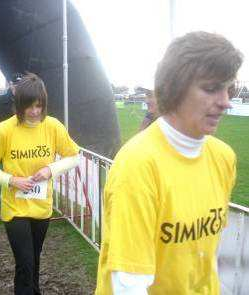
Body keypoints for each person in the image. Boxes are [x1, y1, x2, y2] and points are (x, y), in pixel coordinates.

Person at [96, 31, 243, 295]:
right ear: (175, 88)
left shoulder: (224, 156)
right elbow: (129, 283)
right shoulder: (137, 166)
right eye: (211, 89)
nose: (225, 102)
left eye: (228, 89)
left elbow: (202, 252)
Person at [0, 72, 79, 295]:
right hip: (15, 208)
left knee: (34, 260)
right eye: (29, 106)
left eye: (39, 106)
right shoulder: (4, 130)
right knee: (25, 263)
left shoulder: (53, 126)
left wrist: (50, 169)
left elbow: (73, 156)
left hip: (41, 206)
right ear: (19, 104)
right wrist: (11, 180)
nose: (35, 111)